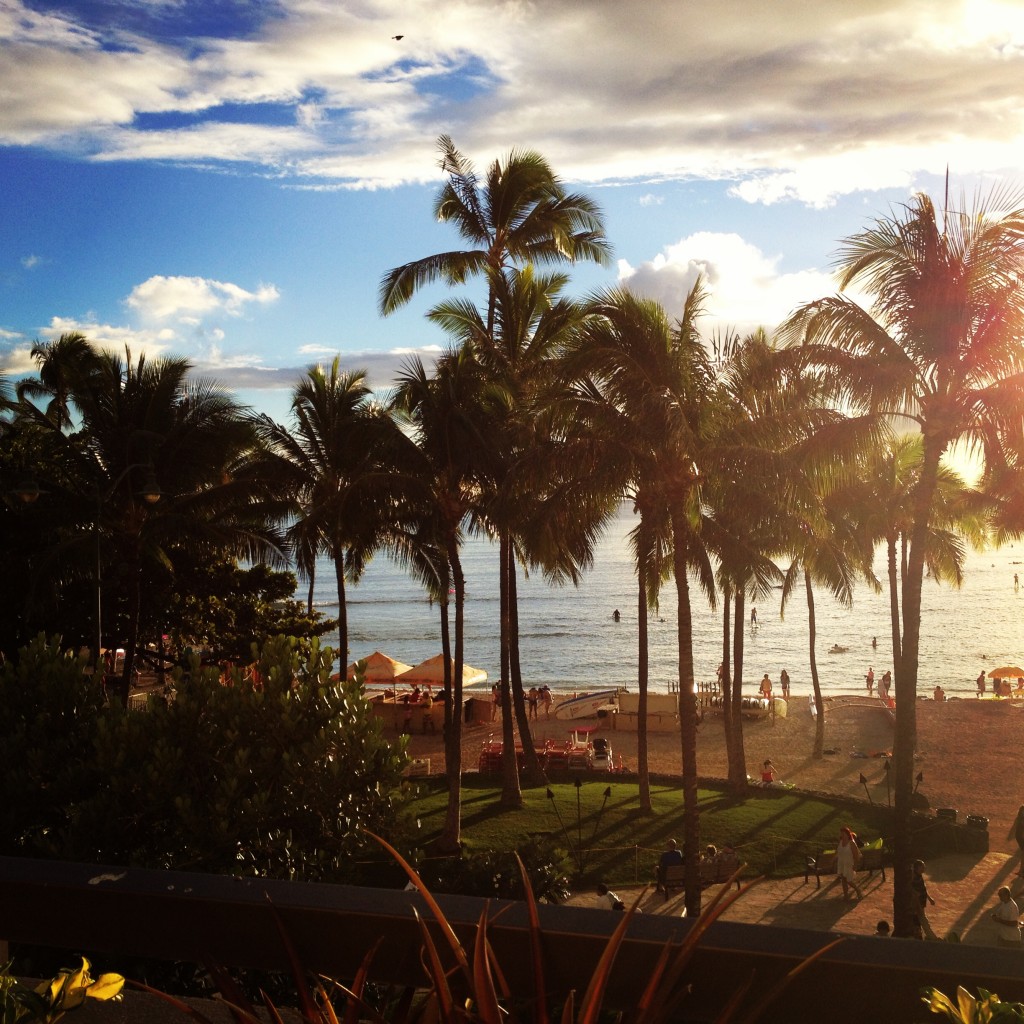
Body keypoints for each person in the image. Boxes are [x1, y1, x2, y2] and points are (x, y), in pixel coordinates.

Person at [912, 859, 938, 939]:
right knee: (922, 921)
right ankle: (932, 937)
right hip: (917, 904)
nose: (924, 868)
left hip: (921, 904)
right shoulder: (913, 877)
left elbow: (923, 889)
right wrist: (918, 906)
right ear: (917, 868)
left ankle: (922, 936)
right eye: (922, 867)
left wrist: (929, 899)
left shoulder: (919, 876)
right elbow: (913, 893)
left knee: (919, 921)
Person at [836, 826, 863, 900]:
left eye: (843, 833)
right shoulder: (841, 842)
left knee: (849, 880)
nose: (842, 835)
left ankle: (858, 890)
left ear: (848, 834)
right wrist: (832, 860)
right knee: (843, 880)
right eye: (841, 833)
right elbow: (838, 852)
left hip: (849, 864)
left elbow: (856, 856)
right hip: (842, 863)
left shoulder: (851, 843)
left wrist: (855, 865)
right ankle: (845, 896)